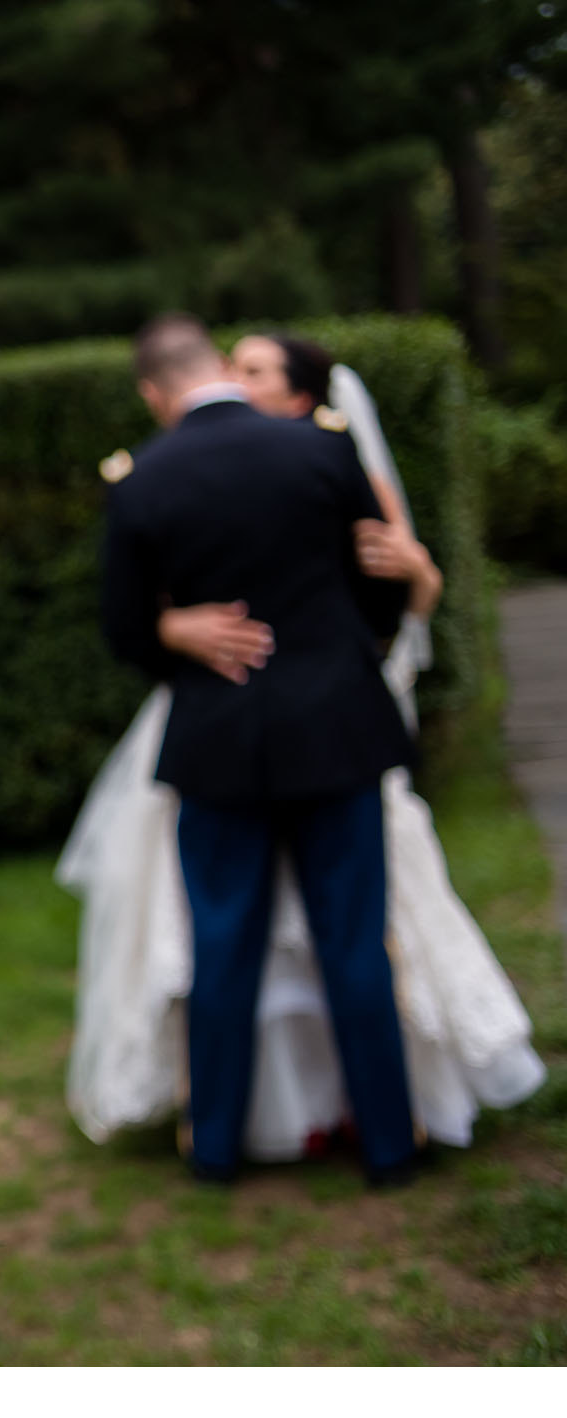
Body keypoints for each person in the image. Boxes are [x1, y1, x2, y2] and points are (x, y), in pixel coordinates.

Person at [66, 323, 546, 1174]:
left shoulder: (142, 480)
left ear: (151, 392)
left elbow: (121, 633)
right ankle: (391, 1145)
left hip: (217, 737)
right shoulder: (319, 450)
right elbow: (379, 584)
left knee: (222, 945)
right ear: (217, 367)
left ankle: (214, 1148)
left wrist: (177, 632)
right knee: (354, 943)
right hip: (337, 729)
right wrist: (331, 653)